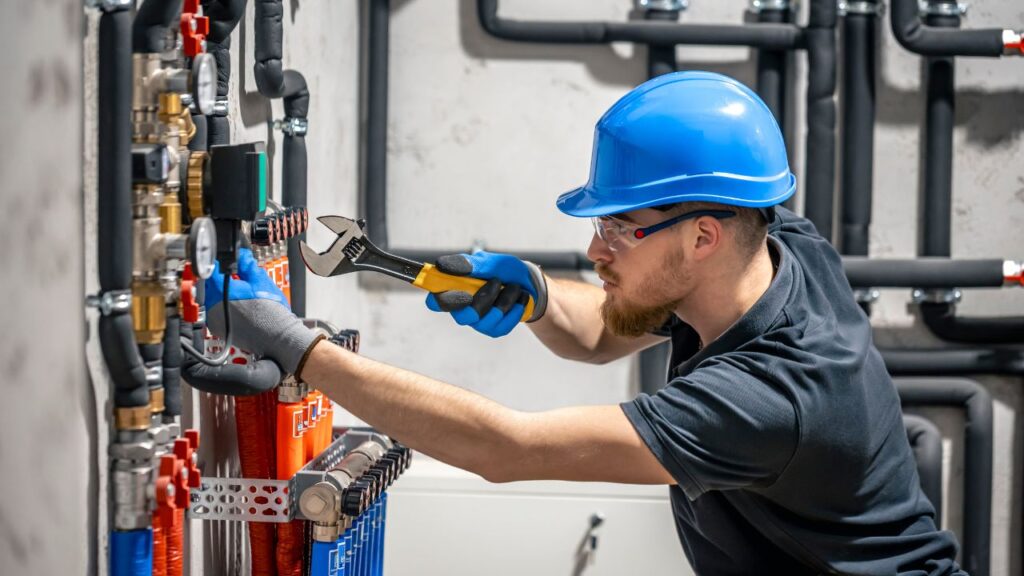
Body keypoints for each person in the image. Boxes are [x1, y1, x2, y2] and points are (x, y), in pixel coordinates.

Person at [206, 72, 965, 575]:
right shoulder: (775, 245)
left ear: (703, 235)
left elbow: (506, 450)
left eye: (619, 227)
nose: (595, 249)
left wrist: (299, 350)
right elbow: (605, 331)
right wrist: (536, 293)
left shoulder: (772, 397)